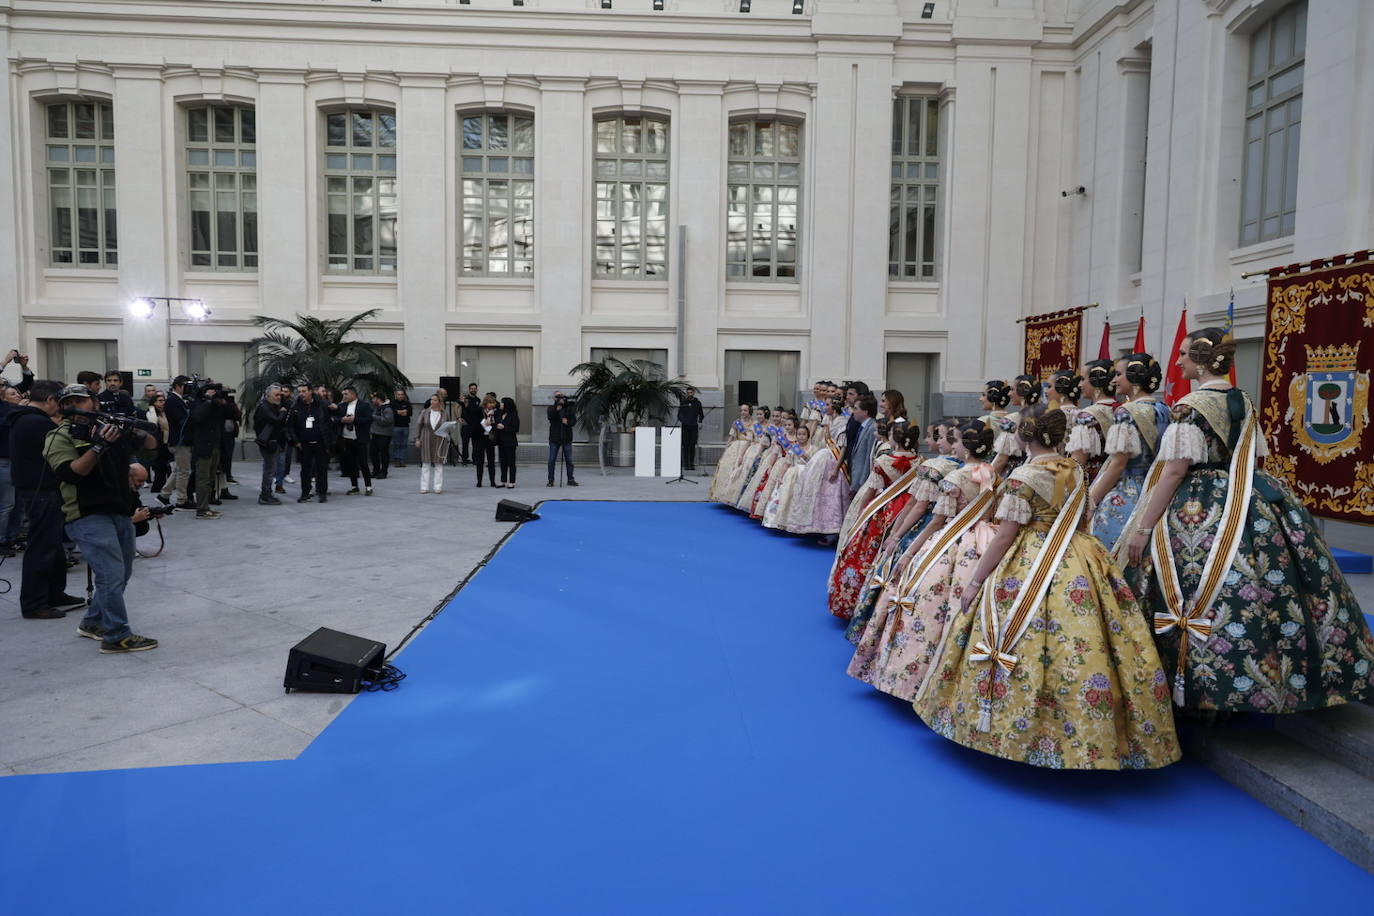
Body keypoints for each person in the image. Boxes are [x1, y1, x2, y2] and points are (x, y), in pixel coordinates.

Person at [915, 404, 1180, 770]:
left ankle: (1010, 731)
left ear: (1024, 435)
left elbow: (1006, 534)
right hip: (1080, 556)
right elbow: (1085, 519)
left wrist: (976, 580)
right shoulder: (1075, 468)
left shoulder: (1024, 476)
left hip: (1030, 560)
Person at [1122, 328, 1374, 713]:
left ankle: (1195, 688)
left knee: (1194, 582)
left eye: (1185, 354)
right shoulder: (1243, 399)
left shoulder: (1190, 407)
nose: (1179, 361)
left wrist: (1142, 528)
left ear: (1203, 360)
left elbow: (1174, 471)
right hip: (1247, 497)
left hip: (1196, 506)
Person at [847, 419, 998, 698]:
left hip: (951, 540)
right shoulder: (991, 473)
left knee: (926, 605)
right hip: (984, 540)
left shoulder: (954, 479)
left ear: (963, 447)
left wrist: (909, 550)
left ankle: (909, 674)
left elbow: (934, 521)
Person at [46, 384, 159, 653]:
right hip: (86, 513)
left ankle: (92, 622)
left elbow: (152, 447)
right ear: (63, 407)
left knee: (121, 574)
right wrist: (99, 446)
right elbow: (72, 473)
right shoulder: (59, 435)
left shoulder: (109, 428)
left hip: (119, 510)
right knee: (110, 574)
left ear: (95, 403)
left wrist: (136, 428)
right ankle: (116, 635)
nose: (78, 405)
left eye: (82, 400)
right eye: (71, 401)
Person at [7, 380, 84, 619]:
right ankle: (34, 603)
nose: (61, 408)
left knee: (54, 546)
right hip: (41, 491)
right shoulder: (36, 423)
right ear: (50, 400)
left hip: (40, 489)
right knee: (42, 547)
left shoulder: (25, 418)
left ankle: (54, 593)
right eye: (59, 403)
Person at [1089, 353, 1168, 550]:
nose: (1114, 380)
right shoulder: (1164, 408)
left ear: (1134, 376)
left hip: (1129, 493)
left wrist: (1091, 502)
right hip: (1158, 489)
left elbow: (1118, 464)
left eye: (1119, 374)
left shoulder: (1126, 412)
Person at [188, 380, 228, 518]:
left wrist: (220, 399)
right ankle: (201, 510)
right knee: (202, 479)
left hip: (214, 445)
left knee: (210, 479)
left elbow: (226, 413)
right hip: (203, 446)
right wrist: (208, 399)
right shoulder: (198, 402)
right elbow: (197, 417)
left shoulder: (213, 403)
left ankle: (206, 506)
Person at [289, 384, 333, 503]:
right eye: (299, 391)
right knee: (305, 470)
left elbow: (331, 420)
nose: (301, 394)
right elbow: (290, 426)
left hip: (320, 443)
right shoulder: (296, 406)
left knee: (322, 469)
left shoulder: (321, 404)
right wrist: (296, 441)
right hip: (304, 444)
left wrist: (328, 440)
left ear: (311, 392)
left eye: (304, 391)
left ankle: (322, 492)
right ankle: (305, 493)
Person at [157, 375, 193, 506]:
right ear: (178, 386)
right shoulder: (173, 400)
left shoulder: (178, 400)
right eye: (186, 386)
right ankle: (181, 500)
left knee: (179, 469)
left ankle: (164, 495)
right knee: (184, 471)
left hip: (180, 440)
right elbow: (182, 420)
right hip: (179, 441)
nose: (188, 389)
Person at [708, 403, 753, 501]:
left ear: (750, 411)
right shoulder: (737, 422)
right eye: (742, 410)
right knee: (727, 468)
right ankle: (723, 494)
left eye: (745, 410)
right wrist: (727, 447)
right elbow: (732, 436)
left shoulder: (754, 423)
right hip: (735, 446)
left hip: (747, 447)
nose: (743, 412)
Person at [253, 385, 288, 505]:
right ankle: (265, 495)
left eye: (280, 395)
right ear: (268, 395)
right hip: (268, 443)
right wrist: (283, 413)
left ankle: (267, 494)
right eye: (276, 395)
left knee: (270, 469)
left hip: (273, 441)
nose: (279, 397)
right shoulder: (264, 407)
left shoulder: (272, 406)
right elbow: (277, 421)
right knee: (270, 470)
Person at [337, 385, 373, 495]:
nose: (344, 396)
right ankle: (354, 486)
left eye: (346, 394)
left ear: (353, 394)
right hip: (347, 439)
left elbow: (368, 420)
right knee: (351, 463)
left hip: (360, 438)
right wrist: (342, 419)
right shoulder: (342, 406)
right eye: (343, 394)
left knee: (363, 463)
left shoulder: (364, 405)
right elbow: (335, 419)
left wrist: (354, 419)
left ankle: (368, 486)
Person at [414, 393, 451, 494]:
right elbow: (418, 426)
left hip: (439, 440)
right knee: (426, 464)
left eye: (434, 400)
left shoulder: (444, 413)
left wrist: (448, 431)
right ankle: (424, 487)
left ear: (439, 401)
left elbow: (447, 427)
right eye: (431, 400)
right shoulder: (425, 412)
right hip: (426, 439)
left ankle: (437, 487)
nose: (432, 402)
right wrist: (417, 439)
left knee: (438, 464)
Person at [846, 393, 878, 495]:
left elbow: (868, 458)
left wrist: (862, 483)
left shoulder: (872, 428)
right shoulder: (862, 427)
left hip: (862, 481)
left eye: (856, 409)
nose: (853, 412)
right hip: (856, 478)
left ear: (865, 411)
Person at [546, 391, 577, 487]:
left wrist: (567, 422)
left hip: (566, 437)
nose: (559, 398)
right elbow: (550, 417)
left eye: (561, 396)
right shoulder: (551, 408)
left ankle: (570, 479)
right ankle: (551, 480)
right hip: (554, 438)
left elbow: (573, 421)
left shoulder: (569, 408)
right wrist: (557, 409)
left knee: (569, 460)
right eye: (557, 396)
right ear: (554, 398)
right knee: (551, 460)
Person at [677, 386, 704, 471]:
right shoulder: (683, 403)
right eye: (688, 393)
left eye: (691, 392)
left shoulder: (698, 403)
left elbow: (701, 415)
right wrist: (684, 421)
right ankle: (686, 465)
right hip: (685, 427)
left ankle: (692, 464)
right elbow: (679, 414)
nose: (689, 394)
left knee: (692, 446)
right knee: (685, 446)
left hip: (694, 427)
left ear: (693, 393)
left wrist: (700, 422)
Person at [473, 395, 498, 487]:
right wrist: (484, 423)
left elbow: (496, 424)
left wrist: (492, 423)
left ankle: (492, 481)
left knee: (491, 460)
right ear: (485, 403)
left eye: (493, 403)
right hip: (480, 437)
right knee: (480, 461)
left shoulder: (495, 413)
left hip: (490, 438)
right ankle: (479, 481)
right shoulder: (479, 411)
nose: (492, 405)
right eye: (490, 403)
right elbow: (475, 424)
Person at [495, 396, 520, 488]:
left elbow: (515, 428)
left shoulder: (513, 415)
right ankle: (503, 480)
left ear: (507, 405)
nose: (500, 404)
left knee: (511, 462)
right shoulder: (500, 413)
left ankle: (512, 481)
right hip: (501, 441)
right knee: (503, 462)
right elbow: (496, 423)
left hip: (510, 442)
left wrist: (504, 427)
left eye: (502, 403)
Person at [369, 393, 394, 480]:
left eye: (373, 399)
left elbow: (386, 421)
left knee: (384, 454)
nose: (372, 401)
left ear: (378, 399)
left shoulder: (387, 409)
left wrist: (374, 417)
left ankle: (383, 472)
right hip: (375, 434)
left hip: (384, 434)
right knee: (373, 453)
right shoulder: (377, 408)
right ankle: (376, 471)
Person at [459, 382, 481, 465]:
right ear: (469, 389)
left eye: (474, 388)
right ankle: (464, 459)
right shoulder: (464, 399)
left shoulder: (478, 400)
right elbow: (456, 406)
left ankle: (475, 460)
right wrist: (458, 418)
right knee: (465, 443)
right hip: (466, 425)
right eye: (471, 388)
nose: (473, 390)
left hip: (476, 426)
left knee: (476, 444)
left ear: (477, 389)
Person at [389, 388, 411, 467]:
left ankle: (402, 460)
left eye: (402, 394)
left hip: (405, 427)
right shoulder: (392, 403)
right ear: (395, 395)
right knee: (396, 444)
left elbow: (409, 412)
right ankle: (397, 460)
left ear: (404, 395)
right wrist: (402, 411)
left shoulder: (407, 403)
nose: (400, 396)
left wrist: (399, 412)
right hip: (396, 426)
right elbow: (393, 412)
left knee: (404, 444)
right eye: (399, 394)